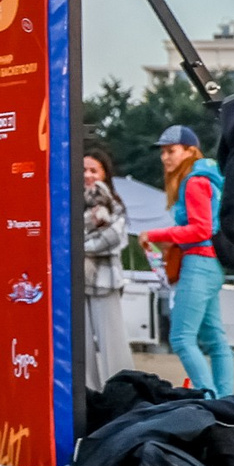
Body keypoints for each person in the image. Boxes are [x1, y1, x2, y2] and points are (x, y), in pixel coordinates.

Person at [144, 125, 233, 398]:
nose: (165, 158)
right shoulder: (208, 180)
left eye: (171, 151)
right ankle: (225, 401)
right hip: (212, 264)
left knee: (181, 338)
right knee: (216, 340)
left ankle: (207, 398)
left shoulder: (194, 182)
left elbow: (200, 230)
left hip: (198, 262)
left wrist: (156, 234)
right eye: (163, 152)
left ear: (190, 151)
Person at [83, 150, 135, 394]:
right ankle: (88, 395)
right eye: (83, 170)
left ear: (105, 173)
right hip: (77, 282)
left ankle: (123, 394)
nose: (88, 175)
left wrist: (78, 248)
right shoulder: (67, 200)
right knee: (80, 347)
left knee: (113, 343)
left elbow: (114, 238)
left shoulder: (115, 202)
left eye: (94, 170)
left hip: (106, 281)